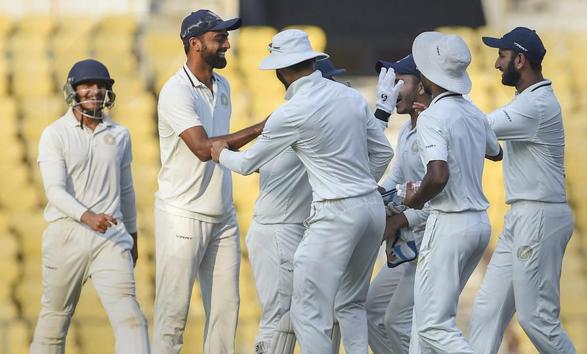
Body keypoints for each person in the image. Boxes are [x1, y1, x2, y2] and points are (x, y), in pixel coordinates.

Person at [210, 29, 393, 354]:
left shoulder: (291, 112)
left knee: (307, 314)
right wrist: (361, 185)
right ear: (312, 62)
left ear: (281, 70)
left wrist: (219, 152)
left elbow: (247, 164)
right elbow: (382, 153)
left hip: (331, 214)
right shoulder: (350, 97)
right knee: (349, 306)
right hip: (370, 210)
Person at [152, 9, 265, 354]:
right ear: (195, 44)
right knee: (172, 317)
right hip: (181, 215)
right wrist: (264, 127)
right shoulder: (175, 92)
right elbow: (204, 149)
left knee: (225, 315)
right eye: (220, 38)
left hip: (222, 216)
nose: (227, 45)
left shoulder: (224, 85)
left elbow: (220, 144)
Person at [468, 27, 578, 354]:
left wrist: (440, 103)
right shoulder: (527, 101)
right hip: (523, 216)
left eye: (502, 56)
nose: (497, 64)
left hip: (540, 216)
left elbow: (478, 128)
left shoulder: (537, 105)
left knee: (536, 319)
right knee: (486, 311)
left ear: (519, 59)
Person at [30, 59, 150, 354]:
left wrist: (132, 236)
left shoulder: (120, 134)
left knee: (131, 318)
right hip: (67, 235)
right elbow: (54, 190)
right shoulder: (55, 134)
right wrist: (87, 216)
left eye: (101, 85)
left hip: (110, 237)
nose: (95, 91)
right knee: (55, 322)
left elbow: (127, 190)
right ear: (73, 90)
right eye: (87, 85)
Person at [402, 32, 502, 353]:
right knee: (425, 319)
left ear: (429, 76)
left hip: (450, 223)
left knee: (433, 325)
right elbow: (496, 152)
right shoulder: (473, 112)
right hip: (478, 225)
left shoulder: (432, 116)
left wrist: (416, 199)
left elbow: (438, 175)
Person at [364, 54, 431, 354]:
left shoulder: (433, 128)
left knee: (398, 321)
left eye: (399, 81)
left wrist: (396, 222)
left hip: (433, 242)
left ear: (421, 87)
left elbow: (441, 196)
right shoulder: (406, 132)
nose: (392, 90)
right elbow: (393, 183)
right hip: (412, 247)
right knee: (371, 311)